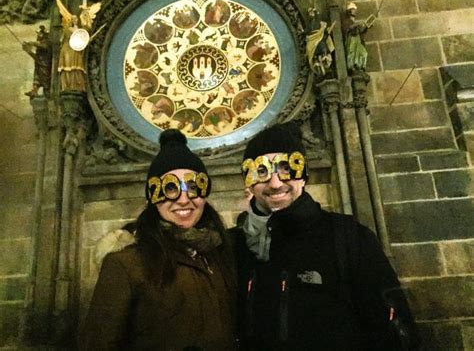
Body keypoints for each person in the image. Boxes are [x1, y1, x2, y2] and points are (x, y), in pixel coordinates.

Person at [231, 122, 421, 350]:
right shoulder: (235, 245)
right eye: (261, 171)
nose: (275, 182)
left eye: (287, 168)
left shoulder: (348, 237)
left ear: (303, 175)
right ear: (248, 181)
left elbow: (392, 327)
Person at [81, 129, 237, 350]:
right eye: (170, 188)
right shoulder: (125, 265)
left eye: (193, 187)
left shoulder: (218, 253)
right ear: (153, 198)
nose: (184, 199)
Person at [22, 25, 52, 97]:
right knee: (36, 78)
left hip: (45, 65)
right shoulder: (40, 43)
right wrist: (29, 51)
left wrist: (32, 43)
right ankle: (34, 91)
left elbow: (43, 46)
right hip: (39, 64)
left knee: (45, 80)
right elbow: (37, 57)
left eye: (40, 34)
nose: (38, 35)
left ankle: (47, 94)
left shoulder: (47, 42)